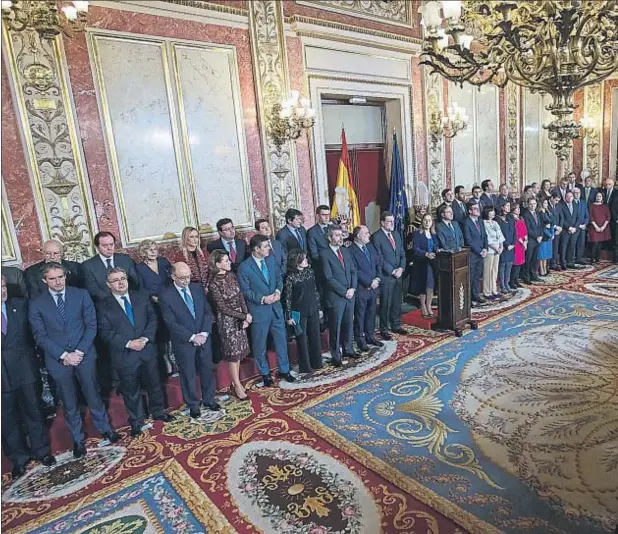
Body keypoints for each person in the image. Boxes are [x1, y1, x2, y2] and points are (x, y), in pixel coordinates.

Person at [29, 262, 118, 458]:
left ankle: (105, 429)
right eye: (52, 278)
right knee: (68, 401)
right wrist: (64, 355)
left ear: (65, 276)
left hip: (84, 355)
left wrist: (79, 351)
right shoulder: (37, 303)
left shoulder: (81, 294)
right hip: (58, 361)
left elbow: (91, 326)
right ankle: (77, 439)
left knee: (93, 393)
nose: (58, 281)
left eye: (60, 277)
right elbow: (40, 336)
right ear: (45, 281)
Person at [96, 268, 174, 437]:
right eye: (116, 280)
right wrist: (129, 343)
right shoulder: (103, 305)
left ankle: (159, 411)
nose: (121, 282)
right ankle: (137, 420)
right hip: (125, 354)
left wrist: (145, 339)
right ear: (109, 285)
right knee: (130, 389)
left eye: (123, 278)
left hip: (147, 348)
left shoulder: (141, 296)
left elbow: (153, 319)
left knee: (154, 382)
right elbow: (105, 331)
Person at [2, 276, 55, 479]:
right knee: (8, 419)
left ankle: (42, 451)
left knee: (33, 411)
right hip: (2, 377)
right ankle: (19, 459)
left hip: (25, 369)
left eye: (3, 286)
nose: (2, 291)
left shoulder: (20, 305)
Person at [159, 262, 219, 419]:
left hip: (204, 337)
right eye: (182, 278)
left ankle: (209, 399)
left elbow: (207, 312)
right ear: (173, 276)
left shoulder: (197, 288)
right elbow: (171, 323)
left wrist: (204, 334)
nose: (186, 281)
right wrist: (192, 337)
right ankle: (193, 404)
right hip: (184, 341)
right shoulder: (166, 296)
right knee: (188, 373)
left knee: (207, 369)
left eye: (188, 277)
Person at [238, 235, 295, 386]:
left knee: (281, 341)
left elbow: (278, 279)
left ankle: (284, 370)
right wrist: (263, 299)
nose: (269, 248)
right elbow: (245, 291)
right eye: (266, 246)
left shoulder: (270, 260)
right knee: (260, 344)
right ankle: (265, 373)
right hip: (259, 311)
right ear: (256, 249)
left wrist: (277, 291)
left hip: (275, 308)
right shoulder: (244, 267)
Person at [208, 250, 252, 400]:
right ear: (217, 264)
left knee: (239, 353)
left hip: (240, 318)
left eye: (228, 260)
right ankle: (237, 385)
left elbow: (240, 296)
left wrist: (246, 315)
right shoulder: (213, 284)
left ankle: (235, 383)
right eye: (225, 261)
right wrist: (243, 316)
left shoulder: (232, 275)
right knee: (233, 355)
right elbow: (222, 307)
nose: (229, 263)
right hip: (227, 322)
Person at [320, 225, 359, 366]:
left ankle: (348, 349)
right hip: (336, 297)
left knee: (349, 324)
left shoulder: (346, 251)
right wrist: (344, 291)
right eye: (337, 235)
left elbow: (354, 270)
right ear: (330, 237)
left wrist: (353, 288)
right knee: (336, 327)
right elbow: (328, 278)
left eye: (341, 235)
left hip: (350, 294)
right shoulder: (324, 254)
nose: (340, 238)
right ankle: (336, 355)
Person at [135, 239, 173, 375]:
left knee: (173, 330)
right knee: (161, 334)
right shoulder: (139, 268)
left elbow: (172, 279)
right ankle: (165, 359)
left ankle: (175, 358)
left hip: (170, 302)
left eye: (154, 249)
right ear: (143, 252)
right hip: (153, 306)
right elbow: (140, 289)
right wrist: (154, 299)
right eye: (149, 249)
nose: (153, 252)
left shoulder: (163, 262)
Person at [283, 249, 324, 373]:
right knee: (302, 338)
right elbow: (287, 298)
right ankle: (305, 366)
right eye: (303, 258)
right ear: (296, 261)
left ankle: (317, 362)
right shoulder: (290, 277)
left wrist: (319, 308)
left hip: (313, 308)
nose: (306, 260)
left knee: (315, 335)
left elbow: (315, 291)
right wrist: (289, 316)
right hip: (298, 312)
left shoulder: (310, 272)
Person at [371, 211, 407, 339]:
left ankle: (396, 325)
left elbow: (402, 253)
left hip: (398, 274)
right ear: (382, 222)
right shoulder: (376, 237)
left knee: (397, 302)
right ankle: (384, 329)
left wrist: (401, 268)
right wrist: (392, 271)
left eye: (393, 221)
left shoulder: (396, 235)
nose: (392, 223)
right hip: (387, 276)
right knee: (385, 303)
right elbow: (379, 258)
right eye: (389, 221)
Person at [349, 226, 383, 351]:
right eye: (366, 233)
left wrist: (377, 279)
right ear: (358, 236)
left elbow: (378, 262)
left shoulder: (370, 246)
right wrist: (369, 282)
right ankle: (360, 340)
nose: (369, 235)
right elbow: (355, 270)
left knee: (371, 313)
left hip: (374, 287)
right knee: (360, 315)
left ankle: (370, 336)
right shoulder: (350, 250)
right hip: (361, 288)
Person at [82, 232, 140, 301]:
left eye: (111, 244)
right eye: (105, 245)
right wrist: (115, 302)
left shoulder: (126, 259)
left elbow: (135, 282)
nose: (109, 248)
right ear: (97, 247)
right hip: (105, 304)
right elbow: (94, 290)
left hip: (130, 300)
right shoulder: (88, 266)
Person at [462, 202, 488, 305]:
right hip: (473, 253)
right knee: (471, 276)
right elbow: (468, 240)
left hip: (482, 252)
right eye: (475, 208)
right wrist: (479, 251)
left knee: (477, 275)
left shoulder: (480, 221)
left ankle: (476, 295)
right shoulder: (467, 222)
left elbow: (485, 236)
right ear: (470, 211)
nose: (478, 210)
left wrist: (485, 248)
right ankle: (468, 299)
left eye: (478, 208)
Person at [411, 214, 438, 317]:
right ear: (422, 221)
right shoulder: (417, 233)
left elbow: (436, 246)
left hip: (432, 263)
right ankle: (423, 306)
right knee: (423, 285)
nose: (427, 222)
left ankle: (429, 305)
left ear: (432, 222)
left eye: (429, 220)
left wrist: (438, 250)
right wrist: (426, 254)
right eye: (425, 220)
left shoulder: (434, 234)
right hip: (422, 262)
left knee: (430, 285)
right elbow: (415, 249)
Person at [176, 227, 209, 292]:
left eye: (196, 237)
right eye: (191, 237)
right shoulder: (180, 255)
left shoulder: (204, 253)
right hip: (191, 288)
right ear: (186, 239)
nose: (195, 240)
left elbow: (211, 271)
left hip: (208, 286)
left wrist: (207, 286)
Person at [482, 206, 505, 300]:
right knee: (488, 271)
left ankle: (494, 290)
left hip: (497, 250)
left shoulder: (495, 222)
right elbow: (487, 237)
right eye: (491, 211)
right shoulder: (483, 223)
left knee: (495, 270)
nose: (493, 213)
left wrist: (501, 246)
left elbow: (500, 235)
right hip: (490, 250)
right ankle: (487, 292)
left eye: (493, 211)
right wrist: (495, 248)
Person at [497, 202, 516, 294]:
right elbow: (500, 234)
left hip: (511, 246)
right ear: (502, 207)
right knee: (503, 265)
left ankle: (507, 283)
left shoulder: (511, 217)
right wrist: (507, 245)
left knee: (509, 264)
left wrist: (513, 243)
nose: (508, 207)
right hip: (504, 246)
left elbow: (514, 232)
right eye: (507, 206)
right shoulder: (498, 219)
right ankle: (502, 285)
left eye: (509, 205)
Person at [522, 197, 543, 283]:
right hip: (531, 239)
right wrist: (536, 237)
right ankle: (526, 276)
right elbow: (527, 228)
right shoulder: (525, 214)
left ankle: (533, 274)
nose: (532, 206)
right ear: (528, 204)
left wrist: (541, 235)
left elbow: (541, 225)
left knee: (535, 258)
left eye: (534, 204)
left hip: (538, 240)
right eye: (531, 204)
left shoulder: (537, 213)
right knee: (528, 259)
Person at [558, 190, 580, 269]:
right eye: (567, 196)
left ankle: (570, 262)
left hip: (574, 230)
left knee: (572, 246)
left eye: (571, 196)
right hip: (565, 230)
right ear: (565, 197)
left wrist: (574, 228)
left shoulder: (576, 205)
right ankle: (563, 263)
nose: (569, 198)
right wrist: (569, 228)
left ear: (573, 197)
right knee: (564, 247)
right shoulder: (561, 205)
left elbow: (578, 218)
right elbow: (561, 219)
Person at [588, 191, 611, 263]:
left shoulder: (605, 206)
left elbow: (608, 217)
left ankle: (597, 258)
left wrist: (603, 227)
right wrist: (596, 226)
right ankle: (592, 258)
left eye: (600, 196)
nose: (598, 198)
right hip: (594, 227)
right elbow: (590, 217)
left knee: (600, 243)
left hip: (603, 227)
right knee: (594, 243)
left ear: (602, 197)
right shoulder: (591, 205)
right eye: (597, 196)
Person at [511, 203, 527, 289]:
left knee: (520, 262)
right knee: (516, 263)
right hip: (517, 243)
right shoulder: (512, 220)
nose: (519, 210)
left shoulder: (521, 218)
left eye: (519, 208)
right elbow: (516, 233)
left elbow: (525, 230)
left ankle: (517, 280)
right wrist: (522, 242)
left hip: (522, 243)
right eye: (517, 208)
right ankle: (512, 281)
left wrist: (526, 241)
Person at [537, 197, 555, 276]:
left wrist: (552, 234)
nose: (546, 205)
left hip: (549, 234)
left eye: (547, 203)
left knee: (547, 254)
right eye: (544, 203)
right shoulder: (540, 212)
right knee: (542, 254)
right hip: (543, 235)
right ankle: (541, 269)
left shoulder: (548, 211)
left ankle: (545, 267)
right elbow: (544, 224)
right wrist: (549, 234)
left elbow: (553, 221)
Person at [573, 187, 590, 265]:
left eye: (578, 193)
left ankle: (579, 258)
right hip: (574, 227)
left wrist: (585, 224)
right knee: (573, 243)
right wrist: (578, 225)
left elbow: (587, 215)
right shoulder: (571, 202)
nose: (577, 194)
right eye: (575, 192)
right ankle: (572, 259)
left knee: (581, 243)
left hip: (583, 227)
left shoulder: (583, 202)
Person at [548, 193, 564, 270]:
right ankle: (548, 264)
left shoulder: (558, 205)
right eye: (556, 200)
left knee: (555, 247)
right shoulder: (546, 205)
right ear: (552, 198)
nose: (557, 202)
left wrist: (560, 228)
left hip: (558, 230)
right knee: (549, 248)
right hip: (549, 230)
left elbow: (562, 217)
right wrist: (555, 227)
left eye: (558, 200)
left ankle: (553, 263)